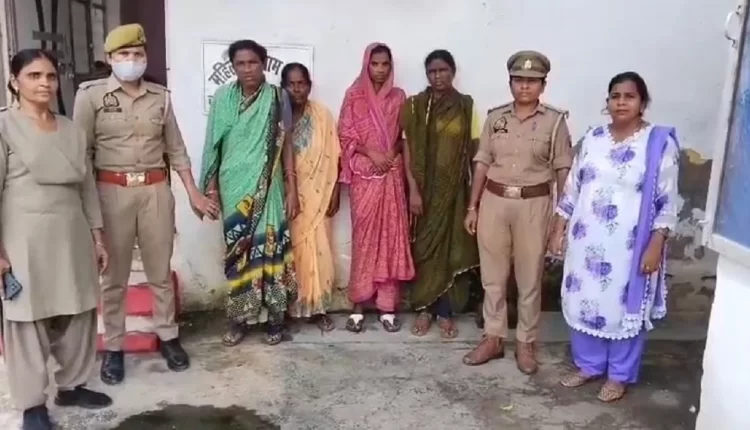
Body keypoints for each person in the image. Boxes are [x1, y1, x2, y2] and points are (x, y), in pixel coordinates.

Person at [73, 24, 218, 385]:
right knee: (114, 277)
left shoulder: (160, 97)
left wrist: (193, 192)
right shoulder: (90, 97)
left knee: (159, 272)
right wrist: (86, 210)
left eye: (137, 54)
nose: (131, 60)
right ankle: (114, 347)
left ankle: (168, 336)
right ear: (110, 58)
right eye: (124, 54)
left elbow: (176, 149)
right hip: (110, 192)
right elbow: (81, 156)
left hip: (154, 190)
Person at [549, 72, 679, 402]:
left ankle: (619, 374)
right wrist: (559, 228)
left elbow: (667, 201)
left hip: (629, 247)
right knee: (584, 300)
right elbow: (573, 188)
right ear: (607, 102)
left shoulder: (658, 143)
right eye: (615, 96)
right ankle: (589, 365)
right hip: (586, 241)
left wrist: (656, 243)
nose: (621, 102)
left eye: (629, 96)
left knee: (623, 308)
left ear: (642, 103)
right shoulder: (593, 138)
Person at [1, 49, 112, 430]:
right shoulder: (4, 126)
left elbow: (87, 188)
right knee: (26, 319)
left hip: (72, 234)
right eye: (34, 76)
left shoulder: (71, 129)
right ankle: (32, 404)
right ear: (15, 81)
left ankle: (72, 385)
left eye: (49, 76)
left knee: (78, 310)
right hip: (23, 238)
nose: (44, 83)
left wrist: (97, 236)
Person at [463, 50, 573, 373]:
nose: (525, 86)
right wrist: (473, 206)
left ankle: (525, 342)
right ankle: (493, 337)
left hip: (534, 205)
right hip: (494, 202)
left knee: (529, 278)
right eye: (519, 80)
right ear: (510, 82)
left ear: (543, 85)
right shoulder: (495, 118)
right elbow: (482, 162)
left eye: (532, 81)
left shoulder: (555, 122)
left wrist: (561, 218)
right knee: (492, 277)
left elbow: (563, 170)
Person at [199, 39, 299, 346]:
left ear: (263, 64)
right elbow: (213, 145)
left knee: (271, 248)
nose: (247, 69)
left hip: (270, 187)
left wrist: (292, 188)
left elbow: (286, 145)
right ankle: (239, 319)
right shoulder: (222, 98)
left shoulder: (278, 97)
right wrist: (211, 189)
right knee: (239, 254)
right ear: (232, 67)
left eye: (253, 62)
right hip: (234, 189)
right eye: (240, 64)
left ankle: (275, 319)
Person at [401, 49, 480, 339]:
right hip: (423, 193)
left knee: (451, 250)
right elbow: (407, 150)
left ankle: (445, 312)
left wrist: (474, 199)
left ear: (453, 72)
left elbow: (475, 153)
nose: (438, 76)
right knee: (424, 250)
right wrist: (413, 189)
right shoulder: (415, 107)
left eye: (443, 70)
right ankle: (424, 308)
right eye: (432, 72)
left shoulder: (466, 106)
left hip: (455, 194)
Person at [338, 43, 415, 333]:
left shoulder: (399, 97)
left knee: (390, 238)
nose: (380, 70)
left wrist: (391, 154)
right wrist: (372, 153)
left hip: (391, 174)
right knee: (364, 239)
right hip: (365, 176)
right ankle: (358, 304)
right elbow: (345, 135)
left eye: (385, 64)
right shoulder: (353, 96)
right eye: (375, 64)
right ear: (366, 65)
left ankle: (387, 307)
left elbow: (403, 137)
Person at [282, 63, 341, 331]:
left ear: (309, 86)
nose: (297, 89)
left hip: (319, 194)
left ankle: (318, 308)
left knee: (320, 250)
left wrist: (335, 190)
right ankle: (290, 307)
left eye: (301, 83)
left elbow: (335, 155)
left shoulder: (322, 115)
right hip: (288, 196)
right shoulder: (277, 118)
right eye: (291, 84)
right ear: (284, 87)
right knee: (290, 251)